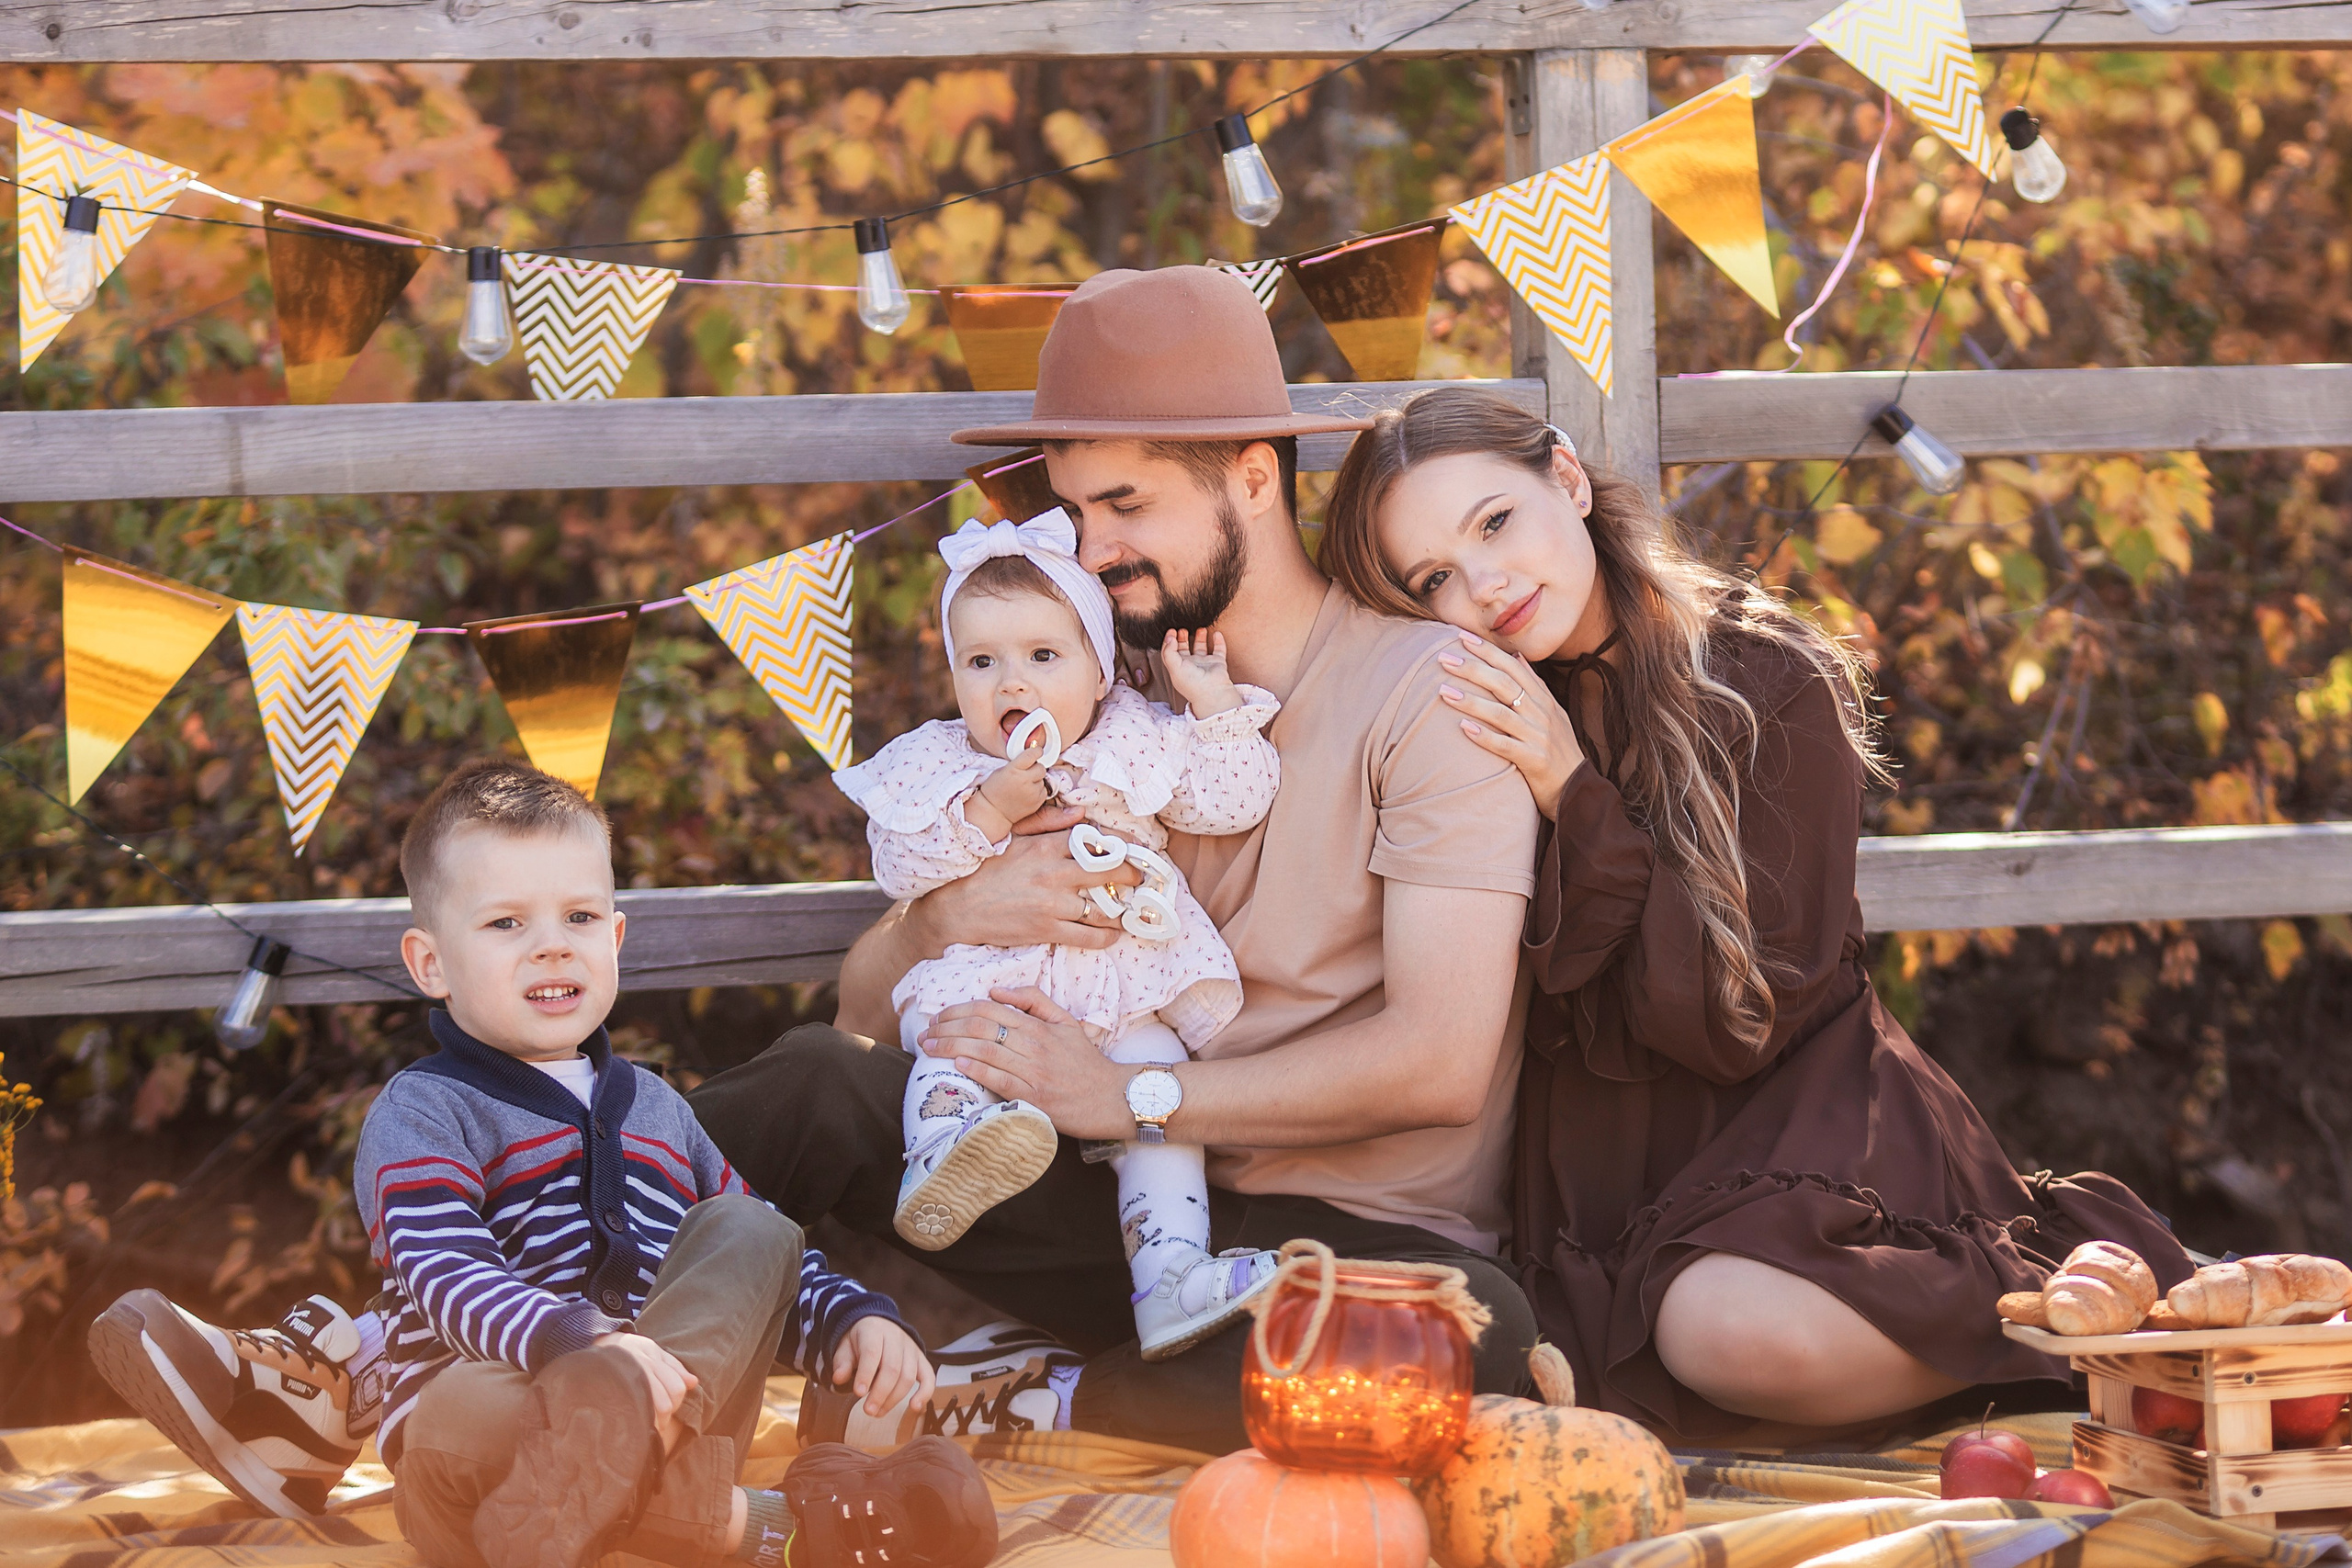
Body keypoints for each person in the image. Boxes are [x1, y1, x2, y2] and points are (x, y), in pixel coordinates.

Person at [688, 265, 1545, 1457]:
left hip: (1327, 1236)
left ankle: (1048, 1392)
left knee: (1474, 1331)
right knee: (811, 1081)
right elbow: (867, 1006)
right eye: (1075, 508)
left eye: (1125, 504)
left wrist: (1129, 1094)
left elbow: (1442, 1061)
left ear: (1253, 474)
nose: (1090, 548)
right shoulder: (1090, 689)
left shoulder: (1426, 696)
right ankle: (510, 1330)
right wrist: (950, 918)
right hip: (1098, 1190)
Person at [1317, 385, 2198, 1441]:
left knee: (1718, 1335)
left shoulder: (1764, 680)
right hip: (1600, 1174)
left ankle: (2091, 1332)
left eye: (1494, 523)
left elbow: (1741, 1019)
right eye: (1435, 580)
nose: (1486, 584)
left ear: (1562, 478)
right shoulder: (1461, 718)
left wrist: (1574, 797)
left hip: (1806, 1133)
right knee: (1562, 1363)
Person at [93, 760, 995, 1568]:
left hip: (658, 1425)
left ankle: (669, 1507)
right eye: (506, 923)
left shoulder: (660, 1110)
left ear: (616, 938)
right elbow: (442, 1270)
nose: (552, 943)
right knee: (460, 1404)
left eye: (577, 916)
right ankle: (745, 1524)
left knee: (752, 1227)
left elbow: (759, 1277)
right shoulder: (425, 1109)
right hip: (491, 1436)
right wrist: (580, 1347)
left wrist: (852, 1323)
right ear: (431, 963)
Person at [831, 506, 1285, 1359]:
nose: (1013, 685)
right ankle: (947, 1150)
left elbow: (1233, 800)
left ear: (1101, 669)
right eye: (983, 661)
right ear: (955, 674)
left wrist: (1214, 705)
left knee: (1160, 1097)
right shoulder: (945, 763)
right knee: (956, 1040)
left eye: (1043, 656)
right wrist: (985, 808)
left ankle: (1172, 1272)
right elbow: (899, 863)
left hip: (1119, 993)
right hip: (990, 982)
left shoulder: (1132, 740)